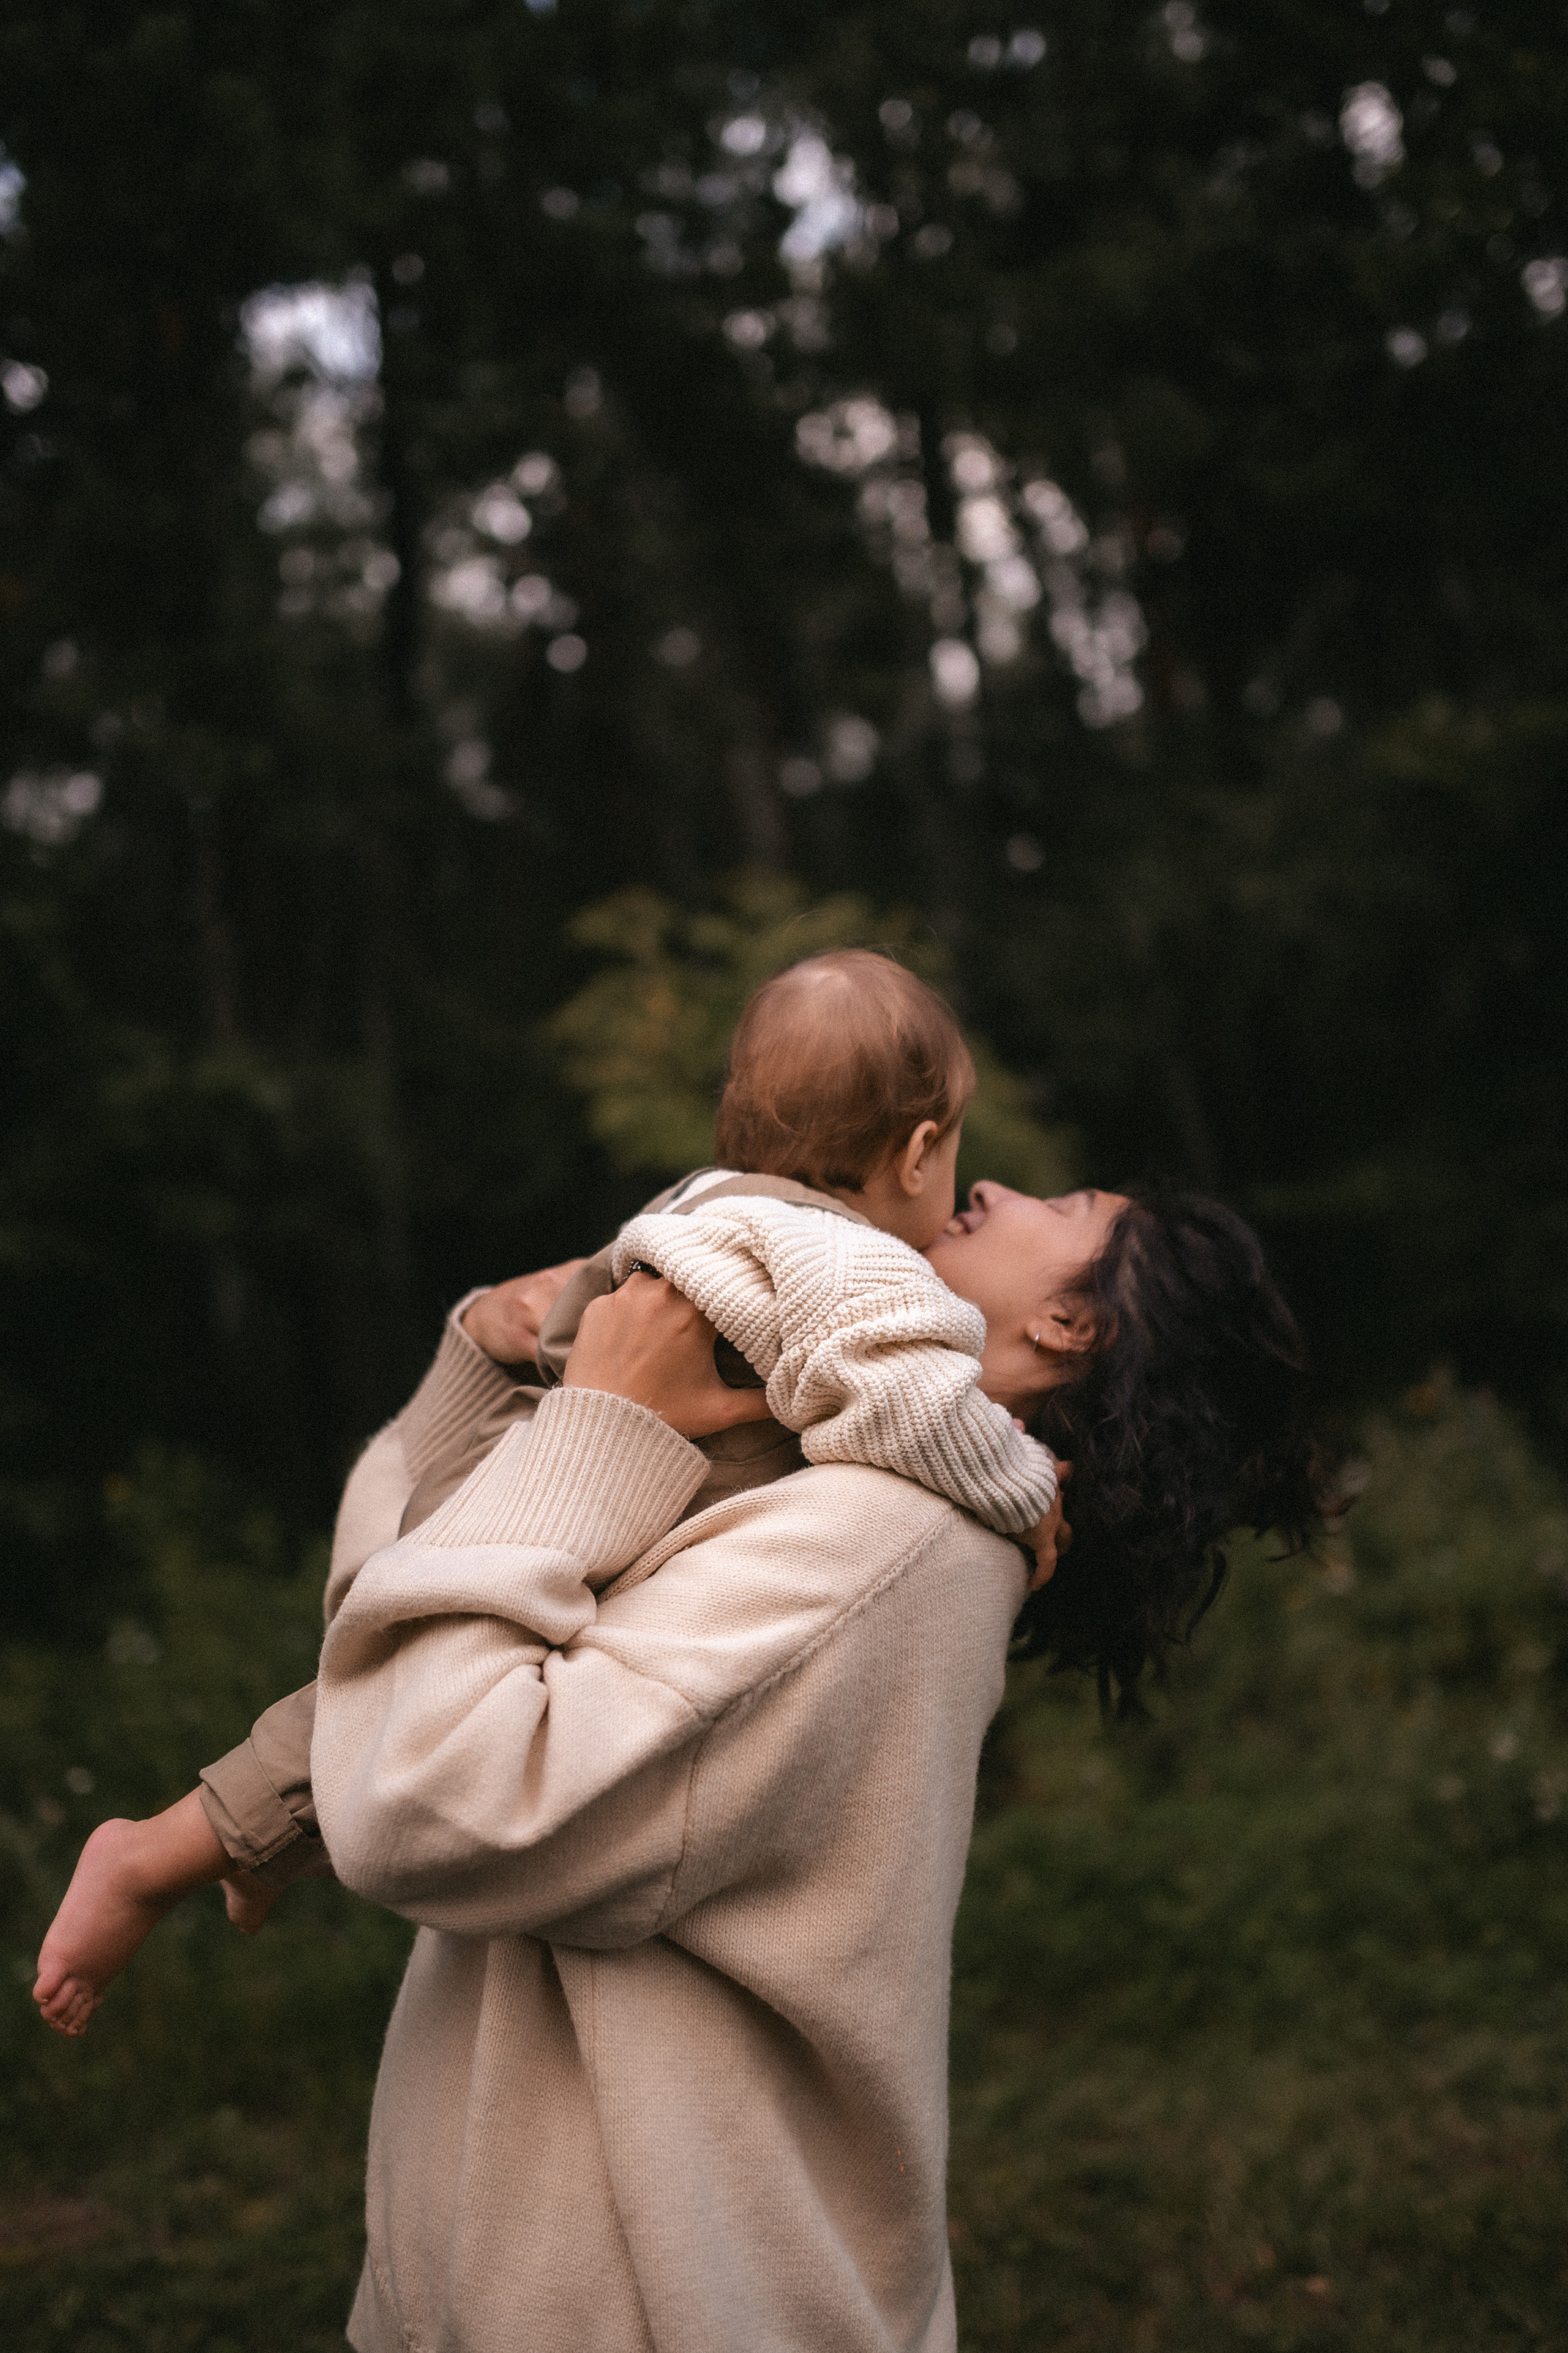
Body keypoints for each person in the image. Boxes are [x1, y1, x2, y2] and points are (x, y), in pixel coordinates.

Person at [36, 951, 1072, 2034]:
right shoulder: (851, 1265)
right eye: (958, 1151)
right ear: (916, 1153)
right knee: (397, 1720)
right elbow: (916, 1408)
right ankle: (155, 1853)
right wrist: (1020, 1485)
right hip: (574, 1495)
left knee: (369, 1709)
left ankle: (249, 1837)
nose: (974, 1186)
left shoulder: (705, 1203)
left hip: (512, 1467)